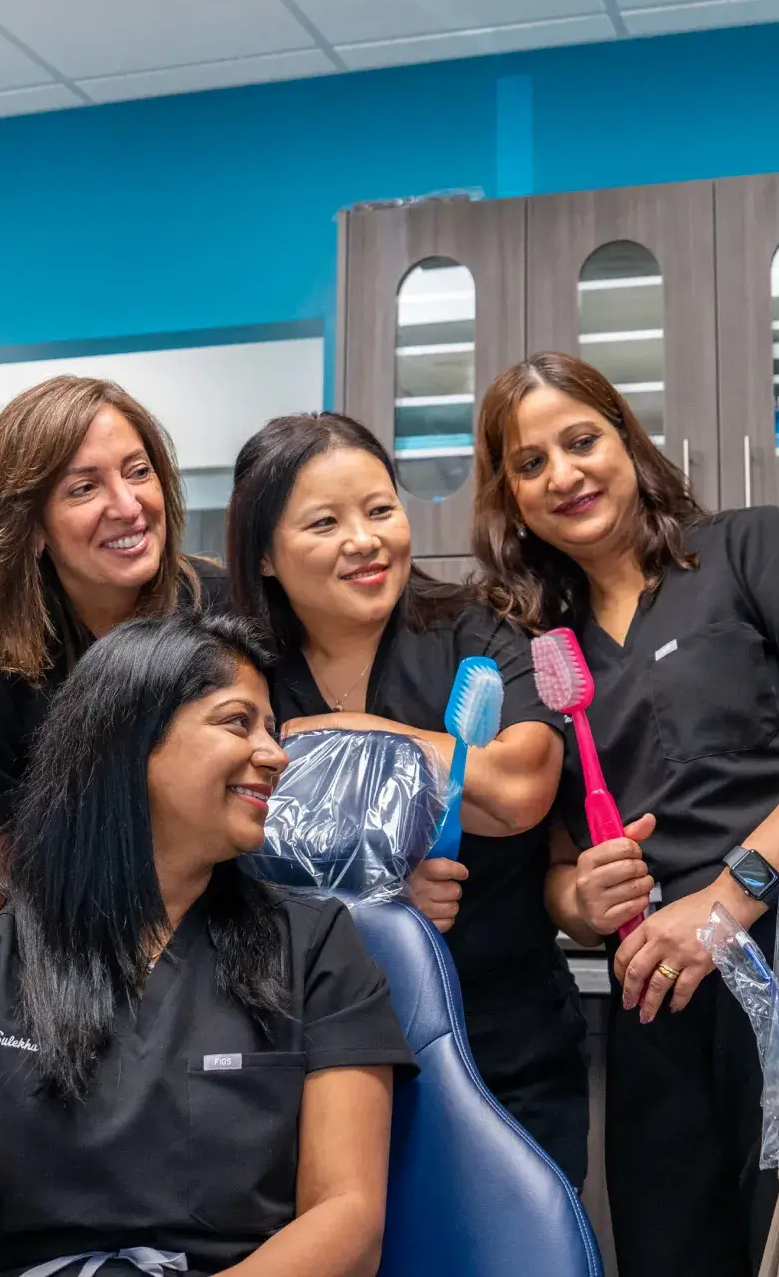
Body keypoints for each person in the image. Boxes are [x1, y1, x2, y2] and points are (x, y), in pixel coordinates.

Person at [472, 351, 779, 1277]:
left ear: (628, 443)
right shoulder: (540, 647)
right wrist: (579, 899)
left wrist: (730, 900)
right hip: (664, 992)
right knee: (672, 1244)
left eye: (581, 440)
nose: (562, 474)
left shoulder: (752, 547)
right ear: (510, 498)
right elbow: (561, 868)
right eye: (530, 464)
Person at [0, 610, 415, 1277]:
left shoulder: (316, 950)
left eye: (272, 728)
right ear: (129, 740)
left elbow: (345, 1218)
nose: (276, 755)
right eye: (238, 722)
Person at [225, 413, 588, 1184]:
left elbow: (521, 788)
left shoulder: (473, 633)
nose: (365, 540)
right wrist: (373, 898)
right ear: (264, 555)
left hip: (504, 1047)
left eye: (380, 510)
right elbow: (208, 850)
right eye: (325, 522)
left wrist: (345, 732)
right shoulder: (236, 670)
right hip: (300, 1052)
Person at [0, 376, 229, 918]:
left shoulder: (224, 612)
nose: (128, 505)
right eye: (83, 488)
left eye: (139, 473)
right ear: (33, 528)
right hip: (81, 972)